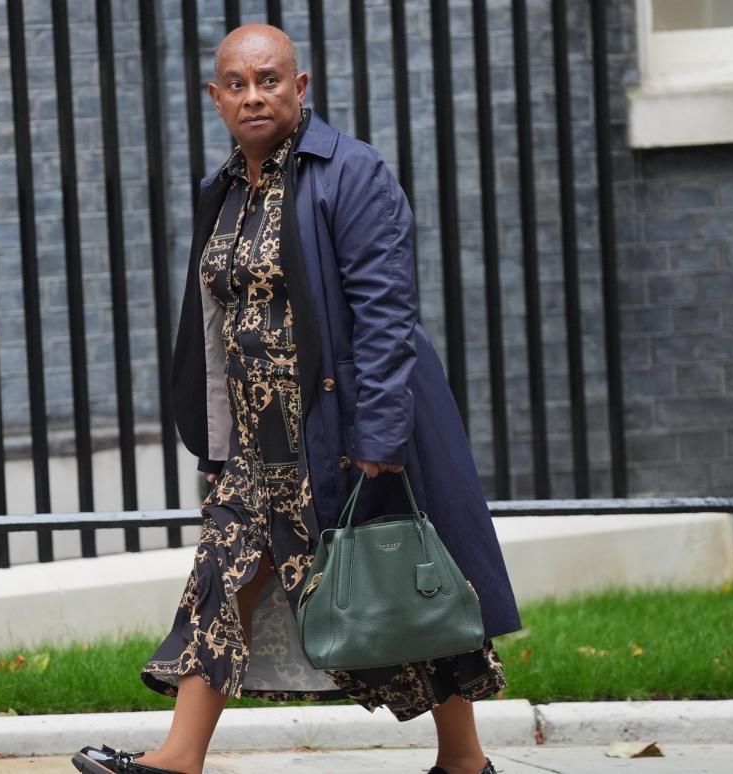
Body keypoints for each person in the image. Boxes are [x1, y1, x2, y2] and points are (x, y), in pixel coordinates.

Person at [73, 23, 520, 774]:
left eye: (270, 80)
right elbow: (218, 329)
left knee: (399, 589)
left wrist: (379, 437)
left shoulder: (352, 174)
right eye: (238, 85)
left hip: (338, 432)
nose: (255, 96)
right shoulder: (224, 192)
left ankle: (465, 763)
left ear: (300, 87)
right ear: (215, 99)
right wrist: (218, 447)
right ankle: (179, 759)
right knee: (222, 578)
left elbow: (386, 315)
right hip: (257, 443)